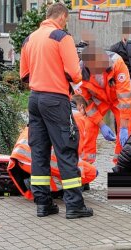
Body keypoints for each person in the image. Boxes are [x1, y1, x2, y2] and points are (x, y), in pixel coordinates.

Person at [19, 3, 93, 219]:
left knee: (39, 152)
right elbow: (75, 74)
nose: (66, 23)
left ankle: (43, 203)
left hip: (35, 99)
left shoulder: (30, 39)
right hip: (56, 100)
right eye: (66, 19)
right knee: (66, 150)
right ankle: (74, 205)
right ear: (62, 16)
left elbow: (24, 75)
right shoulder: (62, 37)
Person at [79, 44, 131, 164]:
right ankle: (86, 164)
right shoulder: (79, 74)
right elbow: (87, 104)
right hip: (99, 100)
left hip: (119, 98)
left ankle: (121, 164)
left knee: (127, 124)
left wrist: (124, 127)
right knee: (89, 126)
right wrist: (102, 125)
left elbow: (125, 96)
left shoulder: (116, 63)